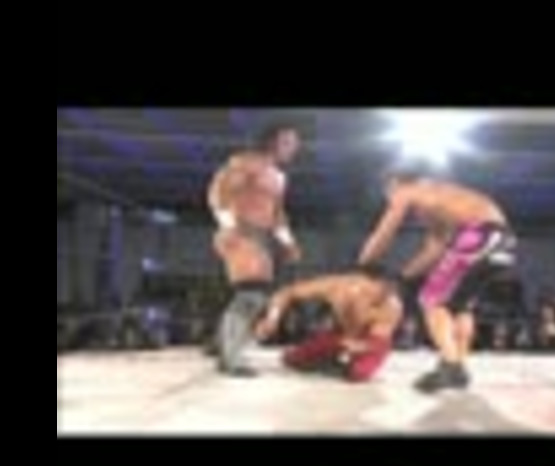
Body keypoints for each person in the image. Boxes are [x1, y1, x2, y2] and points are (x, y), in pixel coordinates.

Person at [357, 168, 517, 393]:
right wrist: (403, 276)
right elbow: (435, 249)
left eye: (388, 194)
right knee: (460, 306)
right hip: (503, 242)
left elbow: (386, 230)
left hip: (480, 236)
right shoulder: (442, 201)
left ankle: (450, 367)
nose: (390, 200)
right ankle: (459, 364)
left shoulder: (407, 191)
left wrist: (365, 261)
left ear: (394, 184)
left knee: (431, 299)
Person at [207, 123, 303, 377]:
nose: (293, 148)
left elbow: (277, 213)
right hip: (241, 231)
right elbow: (218, 192)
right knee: (251, 294)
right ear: (271, 141)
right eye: (287, 142)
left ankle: (223, 346)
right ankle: (230, 358)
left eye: (295, 143)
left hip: (262, 236)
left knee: (256, 295)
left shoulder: (279, 177)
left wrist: (287, 241)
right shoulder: (245, 163)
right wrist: (229, 227)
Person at [254, 266, 403, 383]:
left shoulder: (391, 306)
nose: (385, 293)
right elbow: (287, 292)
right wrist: (272, 318)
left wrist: (355, 346)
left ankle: (339, 364)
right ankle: (329, 361)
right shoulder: (336, 287)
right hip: (340, 335)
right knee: (291, 359)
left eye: (388, 290)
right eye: (382, 288)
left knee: (359, 373)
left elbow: (377, 341)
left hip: (370, 341)